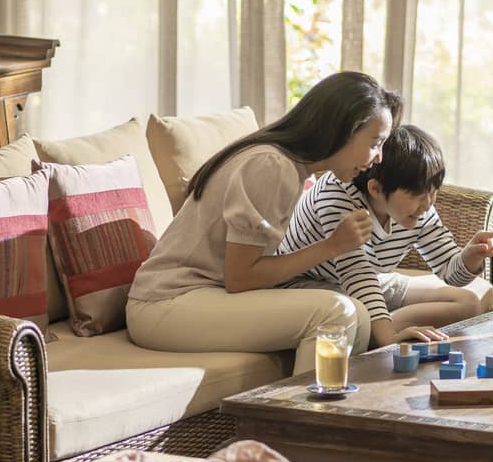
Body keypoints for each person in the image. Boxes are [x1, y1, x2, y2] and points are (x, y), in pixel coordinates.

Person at [126, 72, 396, 373]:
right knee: (335, 313)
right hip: (166, 303)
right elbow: (241, 277)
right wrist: (332, 246)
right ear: (342, 129)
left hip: (200, 296)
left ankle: (325, 412)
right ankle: (301, 417)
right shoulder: (271, 166)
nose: (379, 158)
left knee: (357, 314)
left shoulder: (291, 167)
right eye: (375, 143)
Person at [278, 125, 493, 349]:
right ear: (375, 189)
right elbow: (358, 276)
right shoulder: (337, 198)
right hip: (307, 285)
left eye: (433, 191)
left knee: (468, 302)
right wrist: (389, 338)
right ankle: (375, 332)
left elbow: (450, 273)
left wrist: (470, 255)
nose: (428, 203)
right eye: (417, 194)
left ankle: (373, 329)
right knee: (350, 313)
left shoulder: (419, 210)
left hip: (370, 281)